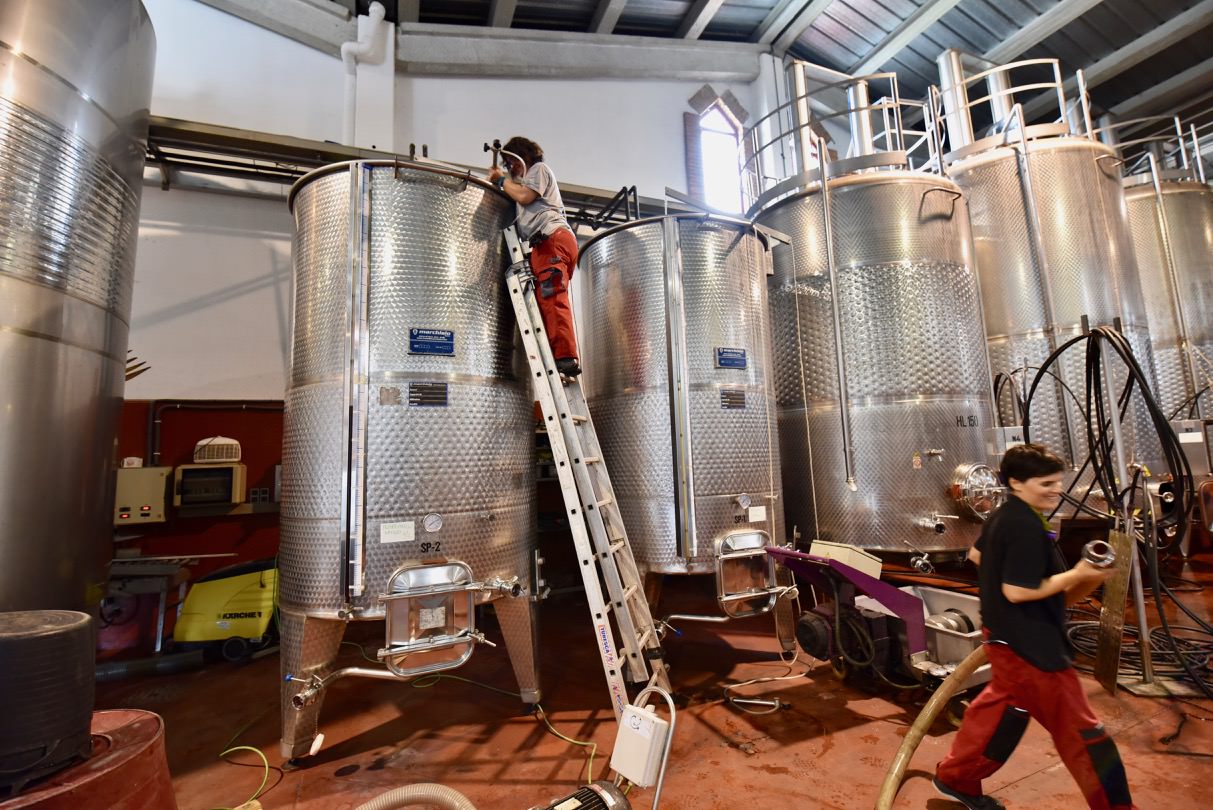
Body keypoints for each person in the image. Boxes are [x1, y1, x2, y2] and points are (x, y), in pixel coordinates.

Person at [934, 443, 1137, 810]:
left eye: (1057, 482)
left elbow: (978, 555)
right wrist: (1078, 573)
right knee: (1084, 736)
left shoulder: (1004, 515)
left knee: (1000, 715)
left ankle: (956, 777)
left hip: (1006, 638)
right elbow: (1017, 591)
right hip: (1032, 648)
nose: (1055, 490)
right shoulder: (1024, 524)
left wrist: (1082, 578)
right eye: (1046, 483)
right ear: (1016, 482)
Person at [488, 137, 581, 378]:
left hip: (552, 239)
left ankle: (565, 357)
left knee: (551, 295)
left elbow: (525, 196)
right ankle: (558, 353)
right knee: (546, 297)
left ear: (524, 155)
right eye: (507, 164)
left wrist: (500, 180)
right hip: (547, 243)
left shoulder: (539, 170)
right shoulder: (523, 187)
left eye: (512, 161)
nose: (512, 167)